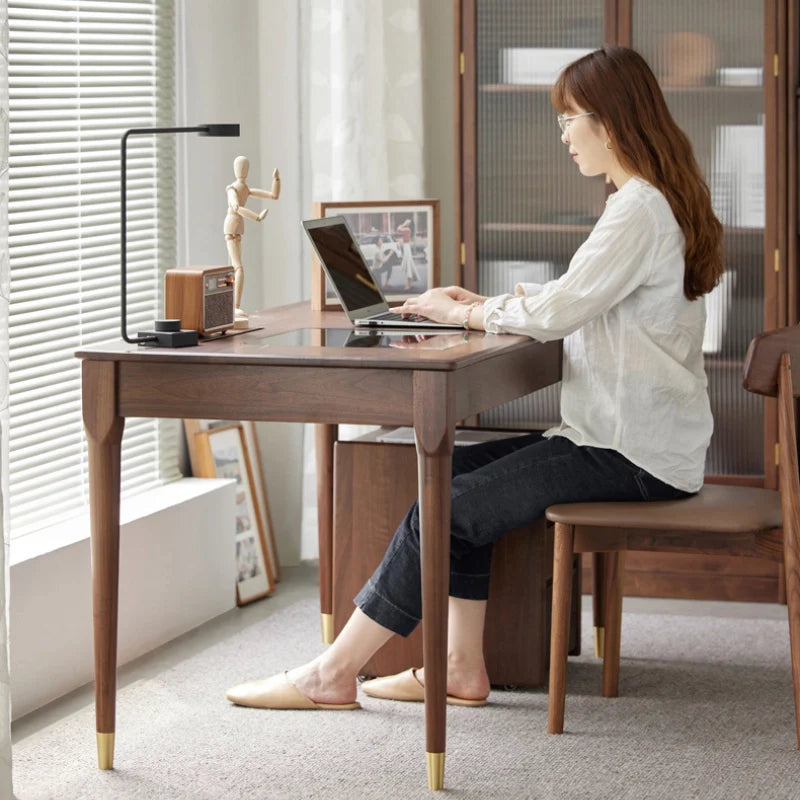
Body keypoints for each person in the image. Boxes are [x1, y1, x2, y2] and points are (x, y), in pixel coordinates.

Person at [225, 46, 723, 711]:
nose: (563, 134)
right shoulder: (651, 202)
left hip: (630, 453)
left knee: (447, 508)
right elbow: (582, 294)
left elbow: (562, 310)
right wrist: (472, 308)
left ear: (610, 122)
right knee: (451, 485)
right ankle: (458, 670)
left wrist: (470, 313)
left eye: (570, 118)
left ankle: (331, 675)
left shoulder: (637, 208)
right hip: (634, 441)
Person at [224, 156, 280, 324]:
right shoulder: (232, 189)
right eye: (241, 167)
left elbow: (273, 195)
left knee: (234, 267)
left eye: (245, 167)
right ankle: (234, 306)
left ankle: (233, 306)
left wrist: (276, 180)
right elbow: (236, 207)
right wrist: (256, 217)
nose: (243, 171)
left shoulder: (245, 188)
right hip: (232, 226)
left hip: (238, 227)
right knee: (238, 268)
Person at [397, 217, 420, 291]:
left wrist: (403, 224)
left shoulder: (407, 229)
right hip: (406, 247)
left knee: (408, 265)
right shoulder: (408, 229)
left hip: (406, 247)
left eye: (407, 222)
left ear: (409, 224)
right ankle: (411, 280)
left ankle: (409, 283)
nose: (405, 221)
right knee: (409, 265)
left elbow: (398, 229)